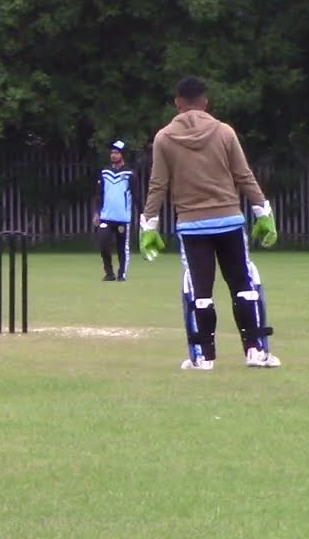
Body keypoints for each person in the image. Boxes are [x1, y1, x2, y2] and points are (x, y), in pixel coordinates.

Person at [139, 77, 280, 370]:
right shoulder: (224, 131)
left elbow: (158, 184)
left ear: (177, 103)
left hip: (192, 226)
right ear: (205, 102)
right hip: (229, 220)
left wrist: (148, 224)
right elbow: (243, 175)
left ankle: (204, 357)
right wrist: (261, 210)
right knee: (243, 285)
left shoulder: (164, 138)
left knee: (200, 291)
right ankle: (255, 351)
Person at [92, 139, 137, 281]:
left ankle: (121, 273)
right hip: (106, 216)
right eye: (112, 153)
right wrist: (96, 212)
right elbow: (99, 194)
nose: (113, 155)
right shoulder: (105, 172)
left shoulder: (130, 174)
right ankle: (109, 273)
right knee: (103, 243)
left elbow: (136, 195)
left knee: (122, 248)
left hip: (123, 217)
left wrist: (143, 214)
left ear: (122, 155)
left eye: (116, 153)